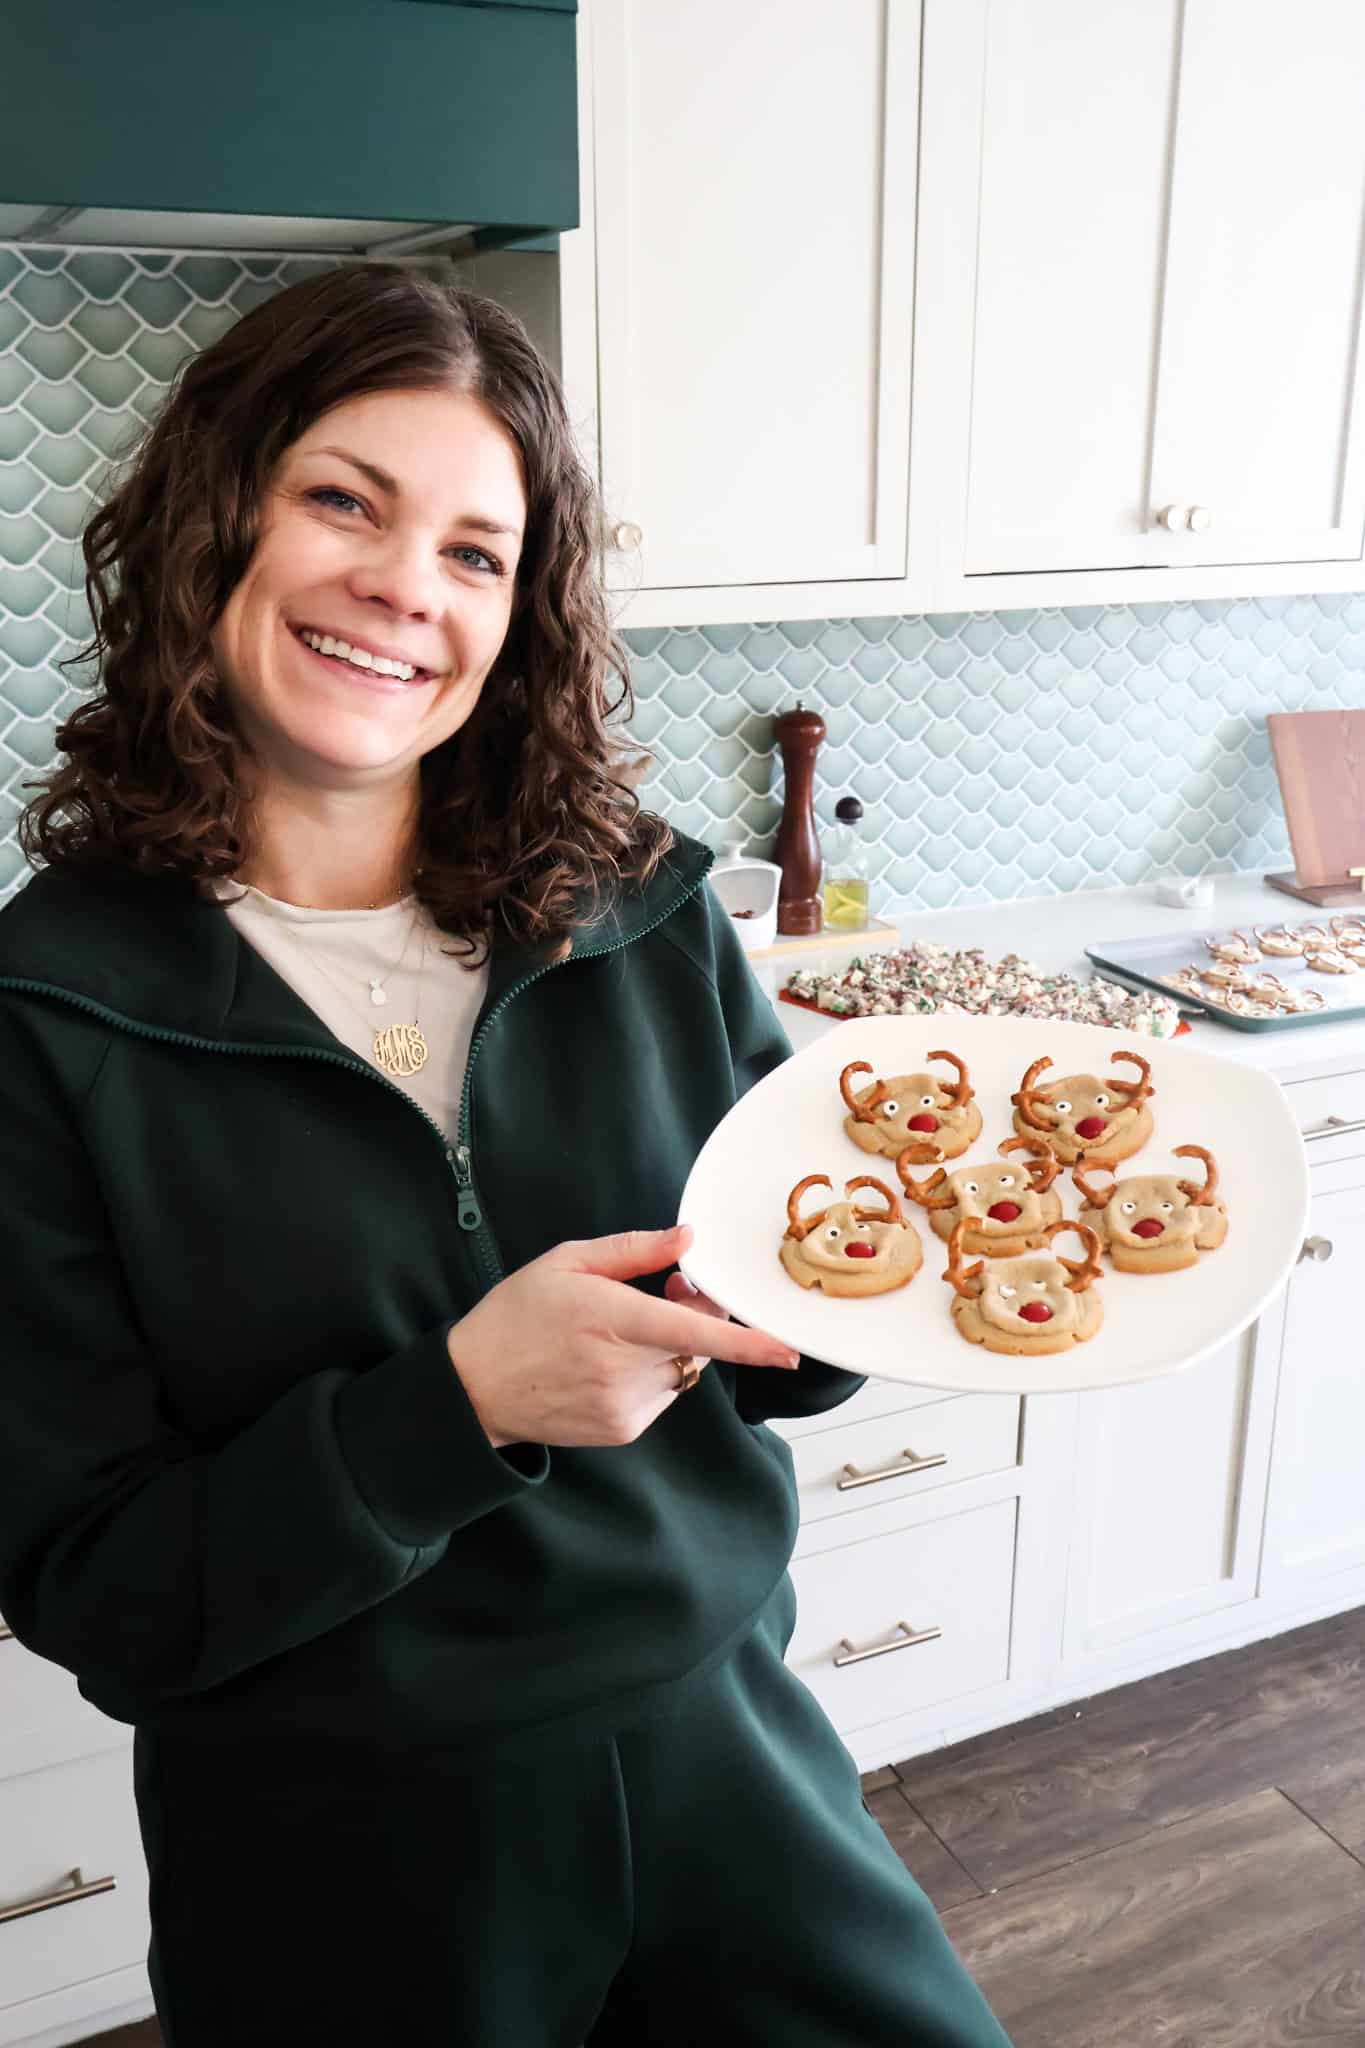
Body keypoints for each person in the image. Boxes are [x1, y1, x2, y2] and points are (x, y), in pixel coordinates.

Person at [0, 264, 1013, 2047]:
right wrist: (458, 1401)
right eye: (342, 502)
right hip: (341, 1856)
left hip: (726, 1754)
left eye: (477, 551)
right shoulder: (50, 1014)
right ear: (203, 526)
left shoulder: (636, 901)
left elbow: (790, 1346)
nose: (407, 589)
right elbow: (105, 1589)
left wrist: (892, 1271)